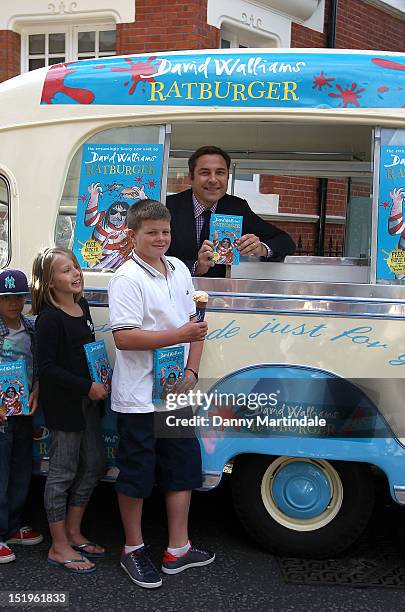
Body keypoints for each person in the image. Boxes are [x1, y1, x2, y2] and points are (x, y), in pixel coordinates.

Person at [108, 200, 215, 589]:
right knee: (136, 474)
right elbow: (124, 338)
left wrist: (191, 370)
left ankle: (178, 548)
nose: (160, 238)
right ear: (133, 235)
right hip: (138, 396)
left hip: (176, 393)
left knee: (181, 468)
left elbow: (196, 324)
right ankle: (133, 549)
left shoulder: (181, 269)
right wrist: (180, 337)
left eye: (165, 231)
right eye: (151, 232)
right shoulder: (126, 278)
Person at [31, 247, 108, 574]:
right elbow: (46, 368)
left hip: (89, 405)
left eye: (75, 266)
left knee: (93, 466)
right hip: (66, 407)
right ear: (50, 283)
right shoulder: (49, 319)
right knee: (62, 473)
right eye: (66, 271)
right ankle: (59, 545)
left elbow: (87, 352)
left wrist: (101, 377)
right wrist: (85, 386)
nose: (75, 273)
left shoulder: (83, 306)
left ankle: (74, 532)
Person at [166, 145, 296, 277]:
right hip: (176, 291)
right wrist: (195, 267)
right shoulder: (168, 207)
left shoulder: (238, 207)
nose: (213, 180)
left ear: (227, 177)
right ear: (191, 177)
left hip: (222, 293)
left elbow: (286, 242)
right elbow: (152, 256)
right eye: (205, 173)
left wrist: (261, 248)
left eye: (220, 172)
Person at [0, 268, 42, 564]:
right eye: (6, 298)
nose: (14, 304)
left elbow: (39, 364)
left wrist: (37, 388)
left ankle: (12, 525)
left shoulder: (31, 327)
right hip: (1, 414)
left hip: (25, 409)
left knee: (21, 466)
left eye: (19, 297)